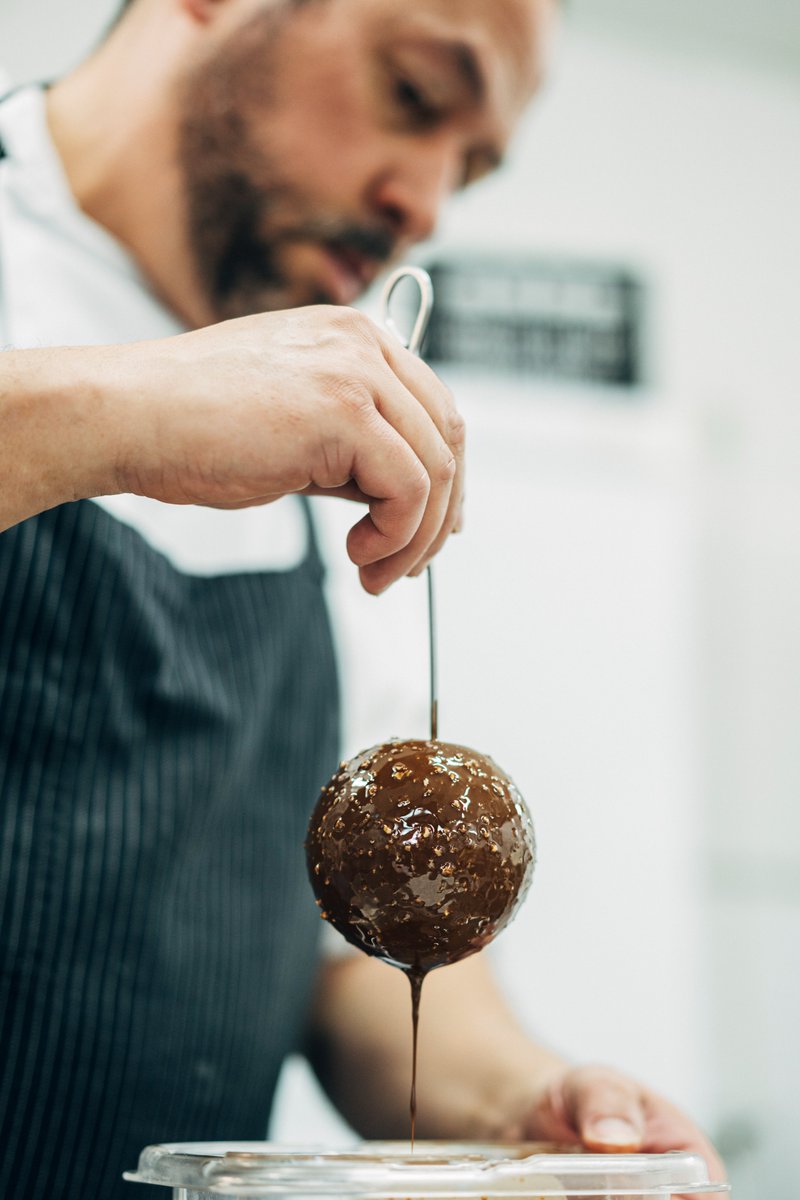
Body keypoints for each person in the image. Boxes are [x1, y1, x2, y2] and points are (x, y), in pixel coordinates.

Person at [0, 1, 725, 1197]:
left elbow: (343, 966)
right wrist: (117, 415)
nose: (429, 206)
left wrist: (523, 1101)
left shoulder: (341, 459)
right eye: (413, 94)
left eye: (470, 168)